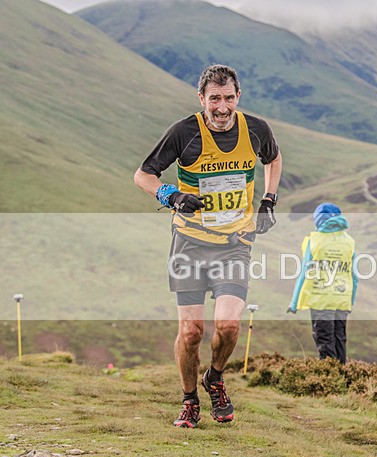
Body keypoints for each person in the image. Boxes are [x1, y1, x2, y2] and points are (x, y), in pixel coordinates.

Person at [133, 64, 282, 428]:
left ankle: (214, 379)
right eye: (214, 99)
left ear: (238, 97)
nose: (221, 107)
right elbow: (144, 175)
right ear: (202, 99)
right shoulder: (184, 132)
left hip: (235, 244)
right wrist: (171, 195)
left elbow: (273, 159)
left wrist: (268, 200)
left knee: (229, 326)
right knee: (191, 332)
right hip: (189, 243)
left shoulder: (257, 129)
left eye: (228, 98)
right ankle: (189, 399)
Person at [287, 203, 358, 364]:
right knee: (340, 338)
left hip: (321, 298)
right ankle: (342, 379)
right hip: (342, 298)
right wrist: (350, 301)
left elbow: (305, 273)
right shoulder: (349, 242)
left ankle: (330, 380)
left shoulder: (314, 241)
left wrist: (294, 302)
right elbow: (354, 276)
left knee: (325, 340)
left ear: (317, 220)